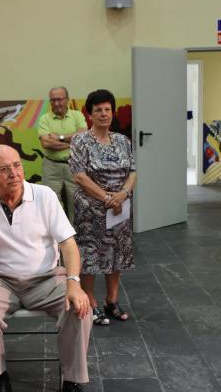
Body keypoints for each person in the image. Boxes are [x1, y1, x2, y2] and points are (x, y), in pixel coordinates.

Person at [0, 145, 91, 392]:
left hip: (46, 279)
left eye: (17, 165)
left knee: (80, 309)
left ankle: (72, 379)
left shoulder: (44, 195)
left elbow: (68, 243)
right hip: (2, 281)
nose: (14, 173)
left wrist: (74, 282)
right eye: (5, 169)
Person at [69, 89, 136, 326]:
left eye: (107, 109)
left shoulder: (123, 141)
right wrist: (108, 198)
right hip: (91, 209)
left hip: (120, 208)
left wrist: (123, 194)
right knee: (90, 255)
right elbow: (79, 176)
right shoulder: (80, 141)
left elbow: (133, 172)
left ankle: (112, 300)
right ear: (90, 114)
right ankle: (91, 301)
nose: (103, 114)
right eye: (98, 110)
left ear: (113, 112)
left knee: (116, 252)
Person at [38, 87, 88, 223]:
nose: (56, 103)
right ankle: (57, 238)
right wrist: (72, 143)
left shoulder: (77, 116)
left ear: (67, 100)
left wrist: (59, 137)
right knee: (50, 203)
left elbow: (83, 136)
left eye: (60, 99)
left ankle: (74, 238)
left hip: (74, 166)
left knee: (76, 203)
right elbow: (47, 144)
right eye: (53, 100)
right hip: (51, 166)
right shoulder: (44, 119)